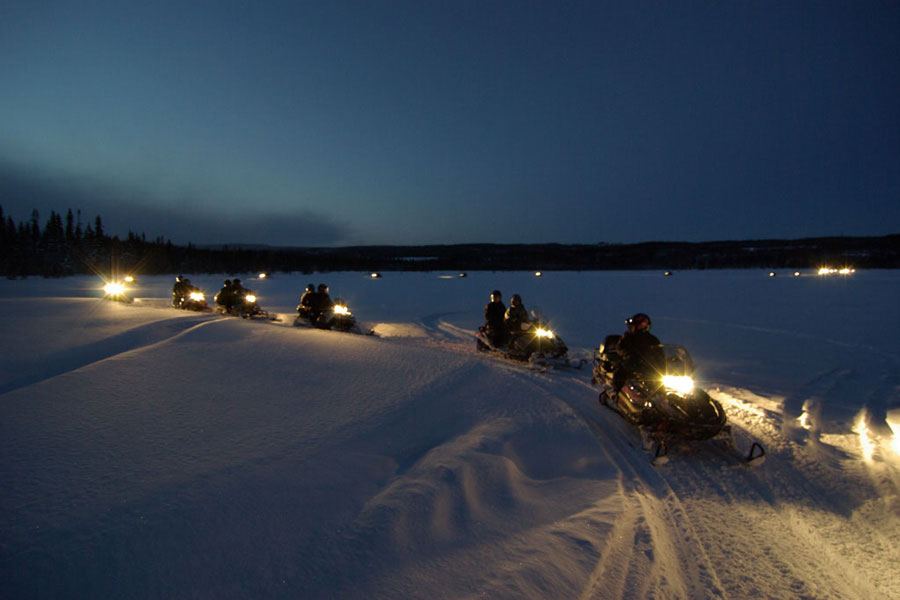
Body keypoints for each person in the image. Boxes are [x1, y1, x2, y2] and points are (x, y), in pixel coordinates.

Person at [613, 313, 666, 392]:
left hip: (647, 365)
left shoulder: (652, 339)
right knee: (622, 369)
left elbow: (659, 352)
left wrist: (665, 361)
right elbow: (620, 347)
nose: (631, 328)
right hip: (632, 362)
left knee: (660, 376)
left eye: (633, 326)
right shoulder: (627, 336)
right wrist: (629, 354)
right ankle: (616, 391)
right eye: (631, 326)